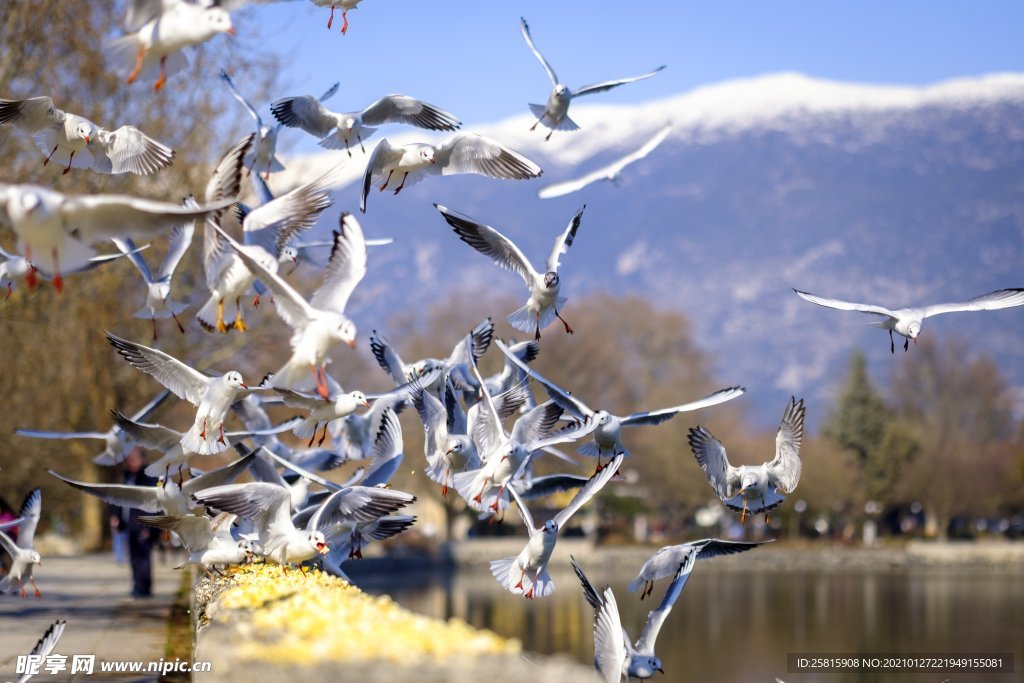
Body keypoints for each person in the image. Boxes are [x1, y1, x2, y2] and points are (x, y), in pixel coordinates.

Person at [111, 447, 157, 598]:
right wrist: (116, 515)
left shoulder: (149, 477)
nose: (131, 462)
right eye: (129, 460)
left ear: (141, 459)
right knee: (133, 558)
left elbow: (155, 503)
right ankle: (136, 585)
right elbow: (118, 498)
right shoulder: (126, 476)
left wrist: (149, 525)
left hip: (144, 524)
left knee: (143, 558)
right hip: (129, 524)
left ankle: (144, 587)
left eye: (134, 459)